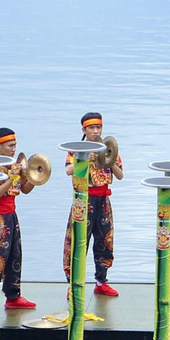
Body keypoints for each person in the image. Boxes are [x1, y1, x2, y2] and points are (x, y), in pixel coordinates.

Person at [63, 112, 123, 296]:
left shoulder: (109, 147)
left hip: (103, 201)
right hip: (83, 201)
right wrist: (85, 159)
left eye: (98, 127)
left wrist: (109, 159)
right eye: (91, 128)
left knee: (104, 241)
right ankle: (73, 284)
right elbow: (68, 170)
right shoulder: (76, 150)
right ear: (84, 129)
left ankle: (101, 281)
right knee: (77, 241)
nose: (96, 131)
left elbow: (120, 175)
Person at [0, 128, 36, 309]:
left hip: (12, 216)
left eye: (15, 145)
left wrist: (35, 176)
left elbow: (24, 190)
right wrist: (11, 179)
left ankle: (13, 297)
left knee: (14, 256)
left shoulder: (13, 167)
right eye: (10, 145)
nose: (13, 149)